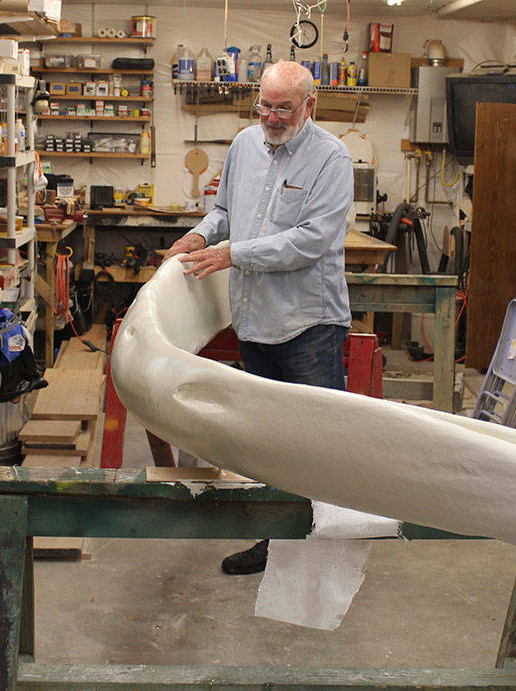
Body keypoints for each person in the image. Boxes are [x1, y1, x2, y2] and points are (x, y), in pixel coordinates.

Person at [166, 60, 354, 575]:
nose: (271, 117)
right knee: (269, 444)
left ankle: (323, 550)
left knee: (316, 443)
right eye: (264, 106)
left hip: (308, 324)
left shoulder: (331, 159)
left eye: (283, 108)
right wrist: (200, 235)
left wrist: (232, 253)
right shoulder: (245, 144)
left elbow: (311, 241)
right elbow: (225, 211)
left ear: (309, 105)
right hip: (254, 320)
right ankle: (276, 542)